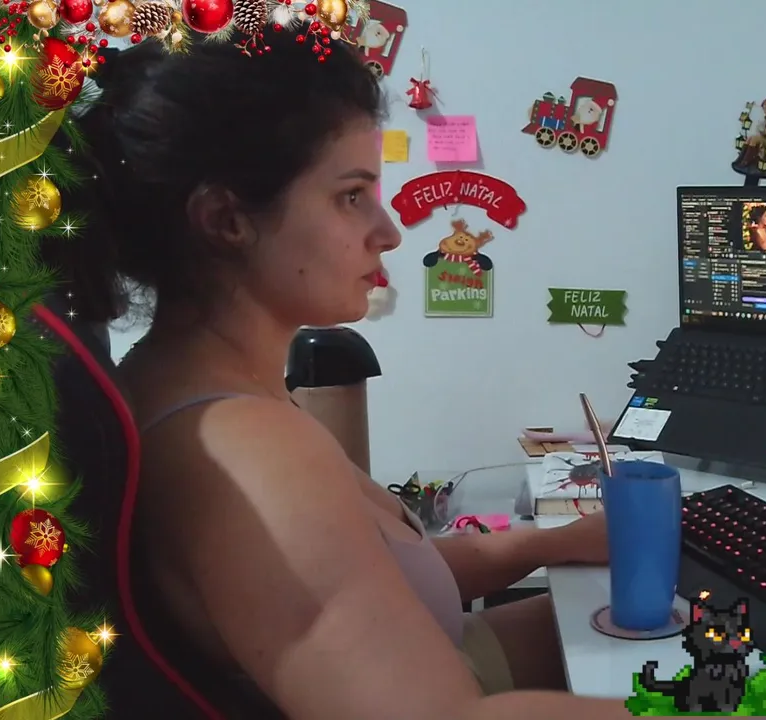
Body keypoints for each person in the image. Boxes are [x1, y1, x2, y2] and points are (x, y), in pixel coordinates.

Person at [50, 32, 639, 720]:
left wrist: (556, 543)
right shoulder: (244, 451)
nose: (388, 231)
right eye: (351, 195)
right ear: (226, 220)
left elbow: (372, 583)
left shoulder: (211, 384)